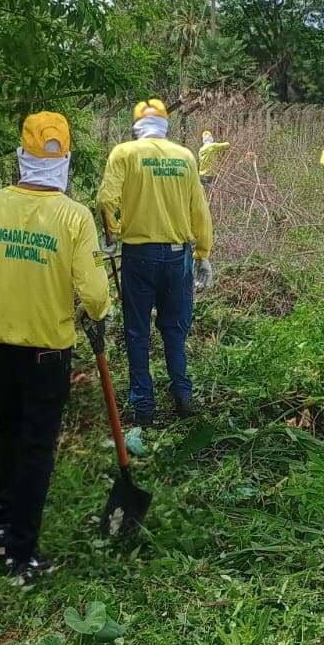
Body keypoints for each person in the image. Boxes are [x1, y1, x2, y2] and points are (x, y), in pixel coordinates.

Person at [0, 112, 110, 586]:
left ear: (22, 157)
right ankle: (22, 554)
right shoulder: (74, 217)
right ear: (66, 161)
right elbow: (95, 293)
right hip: (46, 353)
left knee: (8, 434)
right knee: (36, 449)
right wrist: (98, 315)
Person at [97, 99, 214, 427]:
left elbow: (106, 199)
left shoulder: (124, 153)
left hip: (139, 255)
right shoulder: (185, 157)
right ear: (166, 125)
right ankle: (182, 396)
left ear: (137, 126)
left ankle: (144, 409)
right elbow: (199, 209)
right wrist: (203, 254)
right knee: (175, 328)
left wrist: (111, 235)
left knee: (137, 331)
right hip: (179, 256)